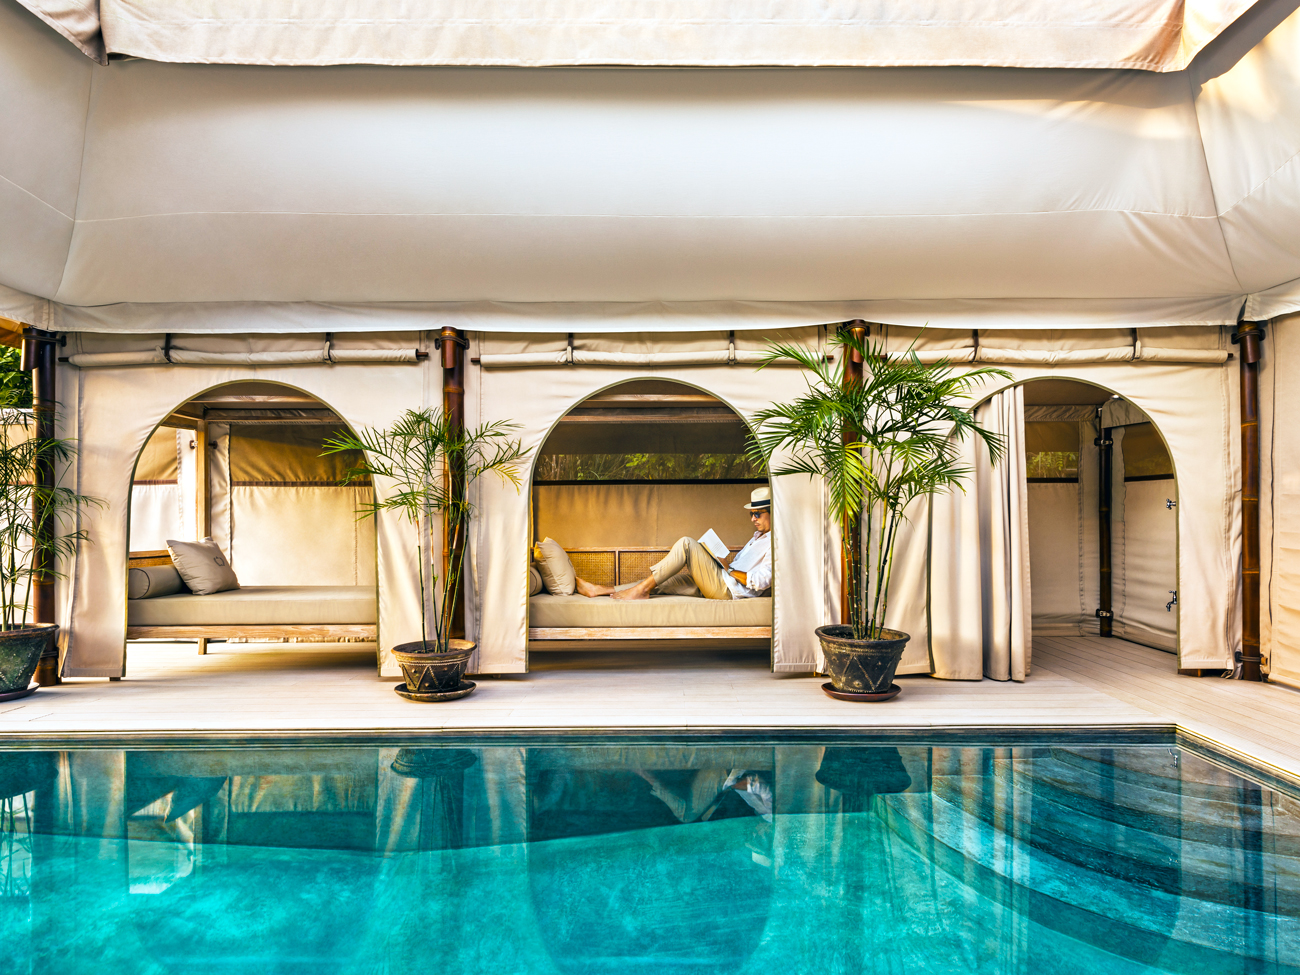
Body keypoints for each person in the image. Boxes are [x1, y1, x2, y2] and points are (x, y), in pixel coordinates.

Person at [574, 486, 773, 601]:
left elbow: (762, 580)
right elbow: (739, 567)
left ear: (773, 514)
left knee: (687, 543)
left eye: (758, 514)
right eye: (751, 514)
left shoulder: (776, 545)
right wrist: (722, 562)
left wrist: (729, 572)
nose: (753, 519)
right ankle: (600, 590)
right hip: (721, 578)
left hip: (727, 590)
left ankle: (640, 590)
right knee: (665, 581)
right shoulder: (757, 537)